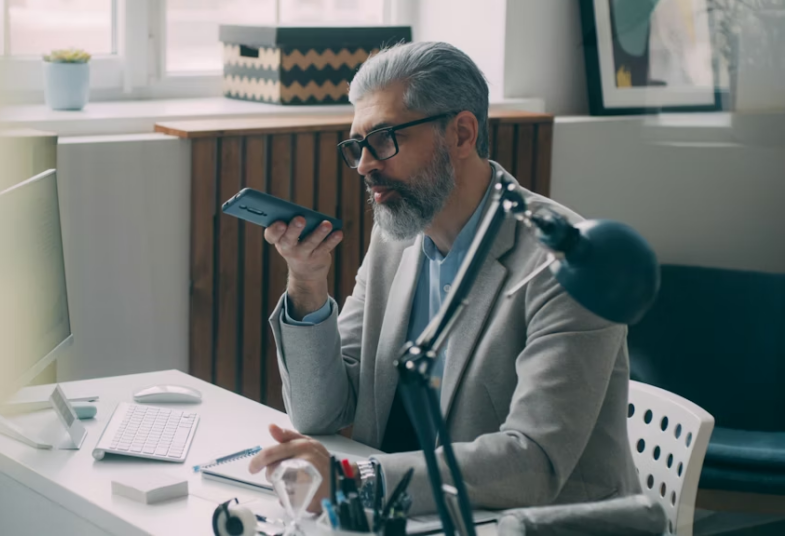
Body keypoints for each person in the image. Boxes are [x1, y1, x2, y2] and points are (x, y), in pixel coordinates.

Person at [247, 41, 640, 515]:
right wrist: (307, 283)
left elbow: (534, 461)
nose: (366, 164)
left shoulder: (567, 262)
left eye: (385, 138)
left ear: (461, 134)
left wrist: (360, 480)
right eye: (357, 146)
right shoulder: (395, 240)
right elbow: (322, 411)